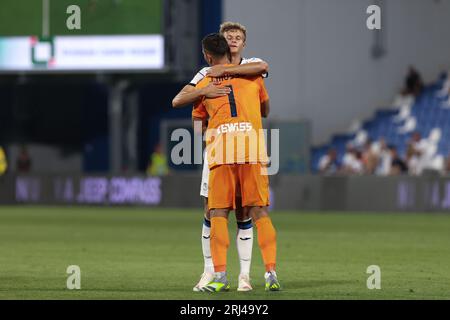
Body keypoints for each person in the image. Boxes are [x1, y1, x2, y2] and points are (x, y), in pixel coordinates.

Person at [172, 22, 269, 292]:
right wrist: (204, 99)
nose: (233, 41)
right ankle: (210, 272)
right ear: (222, 44)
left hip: (247, 148)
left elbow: (263, 68)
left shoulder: (249, 67)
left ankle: (245, 277)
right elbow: (186, 107)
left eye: (238, 37)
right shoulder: (205, 73)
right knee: (211, 211)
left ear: (244, 43)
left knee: (244, 211)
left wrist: (225, 70)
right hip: (218, 152)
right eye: (229, 37)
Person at [192, 33, 279, 292]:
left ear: (208, 55)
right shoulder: (252, 74)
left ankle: (219, 275)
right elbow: (265, 109)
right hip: (252, 151)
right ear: (228, 49)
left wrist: (209, 133)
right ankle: (269, 272)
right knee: (257, 212)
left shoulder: (205, 79)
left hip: (221, 152)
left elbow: (196, 122)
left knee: (217, 212)